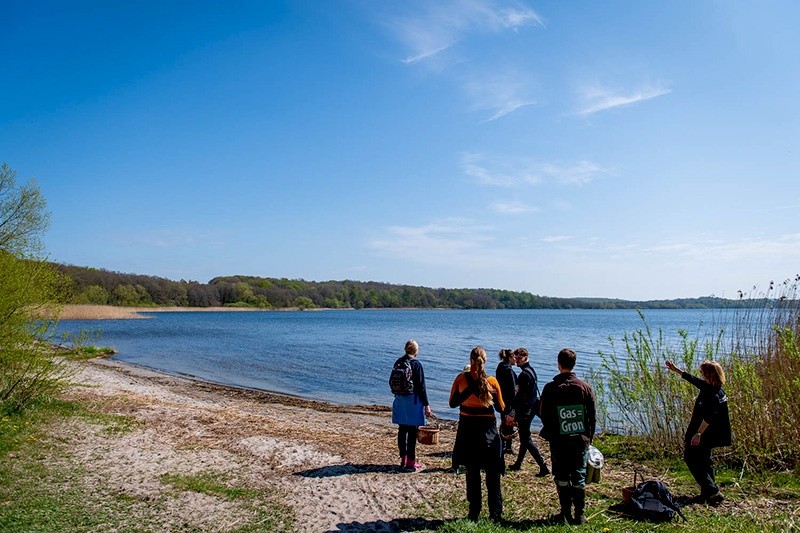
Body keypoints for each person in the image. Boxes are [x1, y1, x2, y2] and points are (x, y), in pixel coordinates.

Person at [539, 348, 596, 525]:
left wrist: (551, 431)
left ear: (558, 364)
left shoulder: (550, 388)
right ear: (574, 364)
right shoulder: (585, 388)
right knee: (579, 475)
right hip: (580, 441)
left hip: (559, 440)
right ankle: (579, 515)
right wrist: (589, 438)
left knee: (562, 475)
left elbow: (543, 413)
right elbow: (592, 417)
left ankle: (565, 513)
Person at [450, 346, 506, 522]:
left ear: (470, 360)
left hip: (468, 433)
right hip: (488, 434)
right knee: (493, 475)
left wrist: (467, 396)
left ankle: (474, 513)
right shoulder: (492, 382)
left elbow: (452, 403)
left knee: (472, 474)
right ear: (485, 361)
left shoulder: (461, 379)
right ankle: (495, 514)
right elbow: (501, 408)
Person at [666, 359, 731, 505]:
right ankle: (707, 493)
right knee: (705, 460)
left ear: (709, 375)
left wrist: (698, 434)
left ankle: (712, 491)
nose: (700, 375)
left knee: (691, 459)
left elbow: (708, 417)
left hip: (704, 432)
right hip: (710, 432)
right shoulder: (714, 388)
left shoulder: (712, 395)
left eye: (702, 373)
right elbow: (693, 380)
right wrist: (676, 369)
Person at [506, 347, 550, 476]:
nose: (517, 360)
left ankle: (543, 466)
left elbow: (518, 397)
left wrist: (512, 413)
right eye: (516, 358)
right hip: (532, 407)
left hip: (525, 410)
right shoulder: (531, 371)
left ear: (525, 358)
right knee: (524, 438)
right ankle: (518, 463)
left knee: (526, 439)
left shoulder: (524, 375)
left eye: (519, 358)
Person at [391, 339, 432, 471]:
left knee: (402, 429)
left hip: (400, 399)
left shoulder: (399, 362)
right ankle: (411, 461)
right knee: (412, 431)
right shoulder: (416, 364)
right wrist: (426, 404)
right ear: (416, 351)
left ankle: (403, 458)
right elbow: (421, 387)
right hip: (413, 400)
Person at [495, 348, 517, 455]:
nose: (515, 359)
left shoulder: (500, 368)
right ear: (509, 358)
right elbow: (513, 389)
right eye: (513, 357)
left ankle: (503, 445)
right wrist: (515, 404)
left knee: (504, 422)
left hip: (501, 400)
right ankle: (507, 446)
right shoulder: (509, 371)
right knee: (509, 424)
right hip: (508, 401)